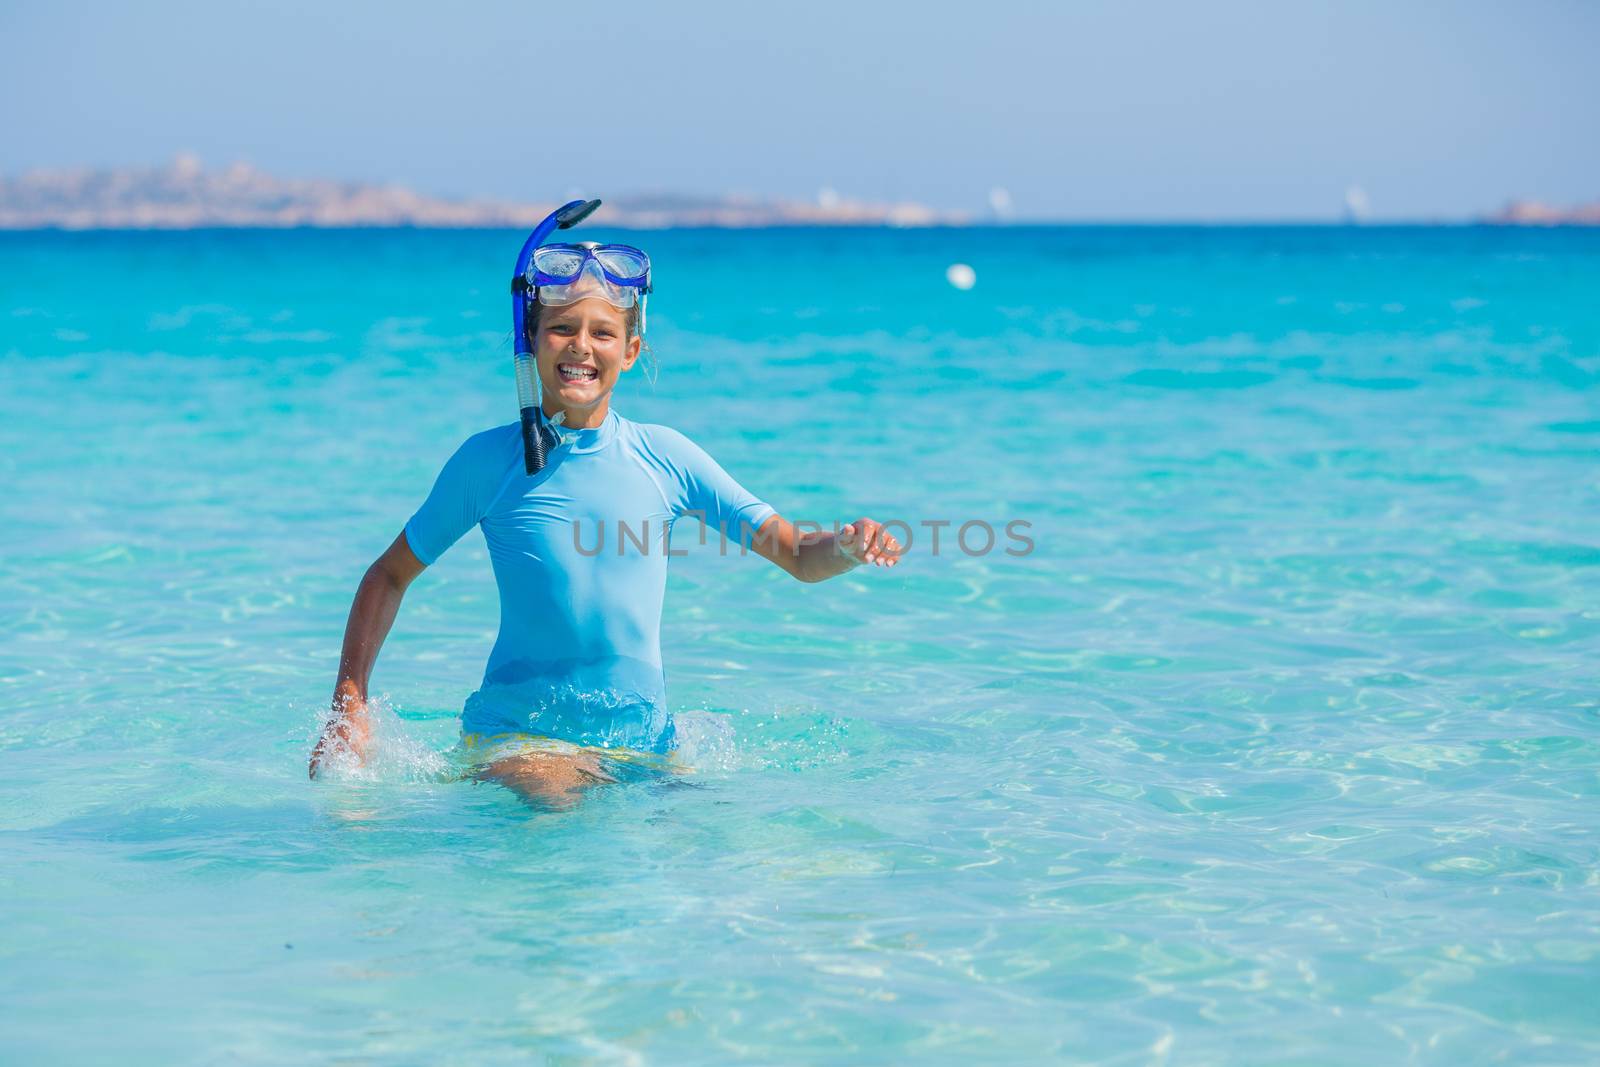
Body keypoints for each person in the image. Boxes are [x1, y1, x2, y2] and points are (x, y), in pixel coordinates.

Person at [309, 210, 902, 807]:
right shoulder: (488, 463)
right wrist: (349, 707)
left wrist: (847, 548)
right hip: (520, 740)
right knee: (555, 805)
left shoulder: (666, 457)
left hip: (643, 744)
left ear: (631, 350)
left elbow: (798, 554)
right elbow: (389, 574)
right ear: (530, 339)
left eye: (602, 333)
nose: (582, 347)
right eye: (563, 328)